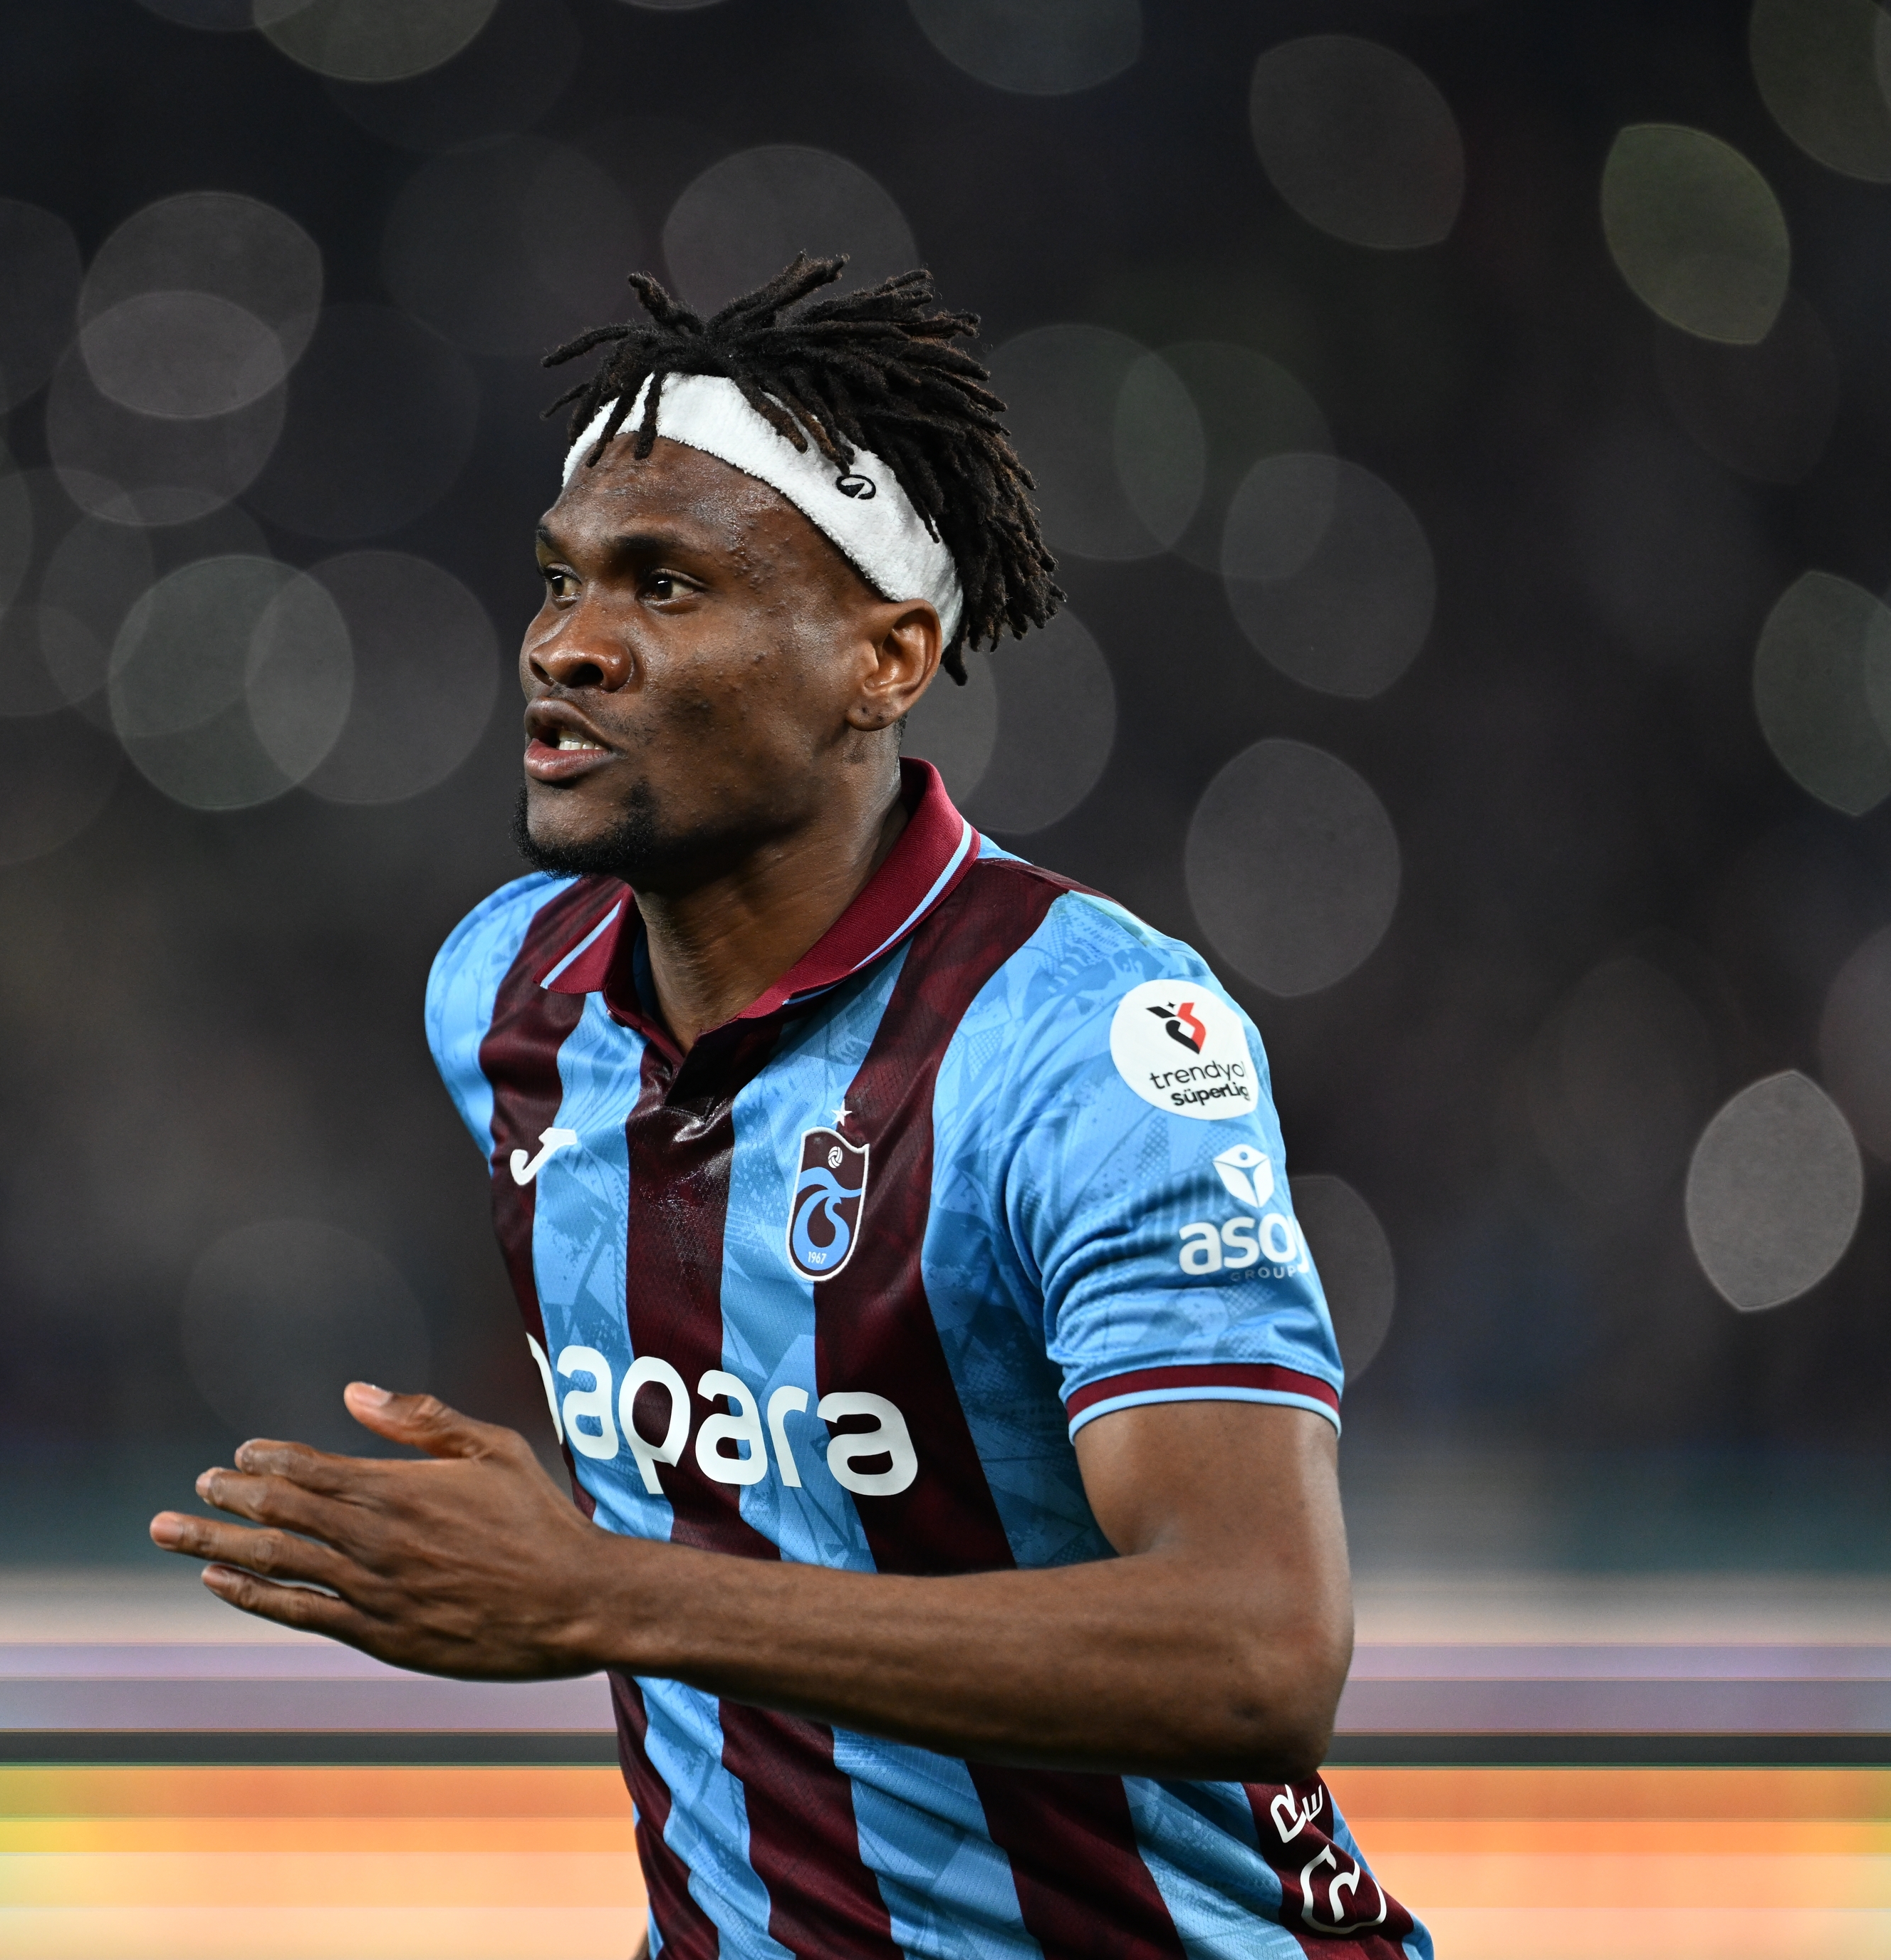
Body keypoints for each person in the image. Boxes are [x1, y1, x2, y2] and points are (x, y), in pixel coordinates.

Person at [152, 255, 1426, 1959]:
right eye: (560, 581)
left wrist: (597, 1592)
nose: (568, 645)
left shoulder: (1092, 1044)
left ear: (885, 659)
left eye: (666, 587)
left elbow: (1262, 1646)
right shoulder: (500, 995)